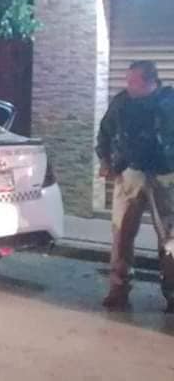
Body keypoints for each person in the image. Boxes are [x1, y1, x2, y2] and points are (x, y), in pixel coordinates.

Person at [96, 60, 174, 313]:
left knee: (170, 239)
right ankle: (118, 291)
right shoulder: (121, 102)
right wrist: (105, 160)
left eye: (133, 81)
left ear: (150, 81)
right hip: (130, 175)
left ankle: (172, 294)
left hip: (165, 177)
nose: (127, 85)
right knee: (121, 236)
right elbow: (105, 132)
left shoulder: (169, 102)